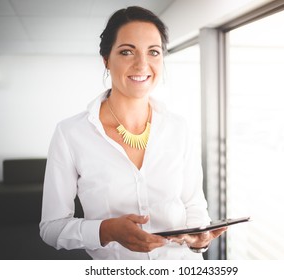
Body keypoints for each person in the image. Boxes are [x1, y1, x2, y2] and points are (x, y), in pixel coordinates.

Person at [39, 6, 226, 260]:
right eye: (127, 51)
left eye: (153, 52)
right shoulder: (70, 134)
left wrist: (199, 239)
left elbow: (194, 204)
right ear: (106, 59)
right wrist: (106, 230)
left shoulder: (178, 128)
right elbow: (51, 228)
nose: (142, 64)